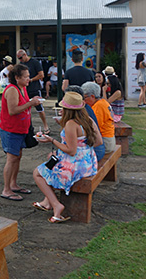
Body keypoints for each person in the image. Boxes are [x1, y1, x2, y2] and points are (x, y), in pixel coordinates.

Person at [32, 92, 102, 223]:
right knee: (50, 162)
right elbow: (98, 142)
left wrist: (51, 140)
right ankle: (47, 201)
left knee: (37, 173)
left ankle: (56, 205)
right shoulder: (88, 120)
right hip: (88, 163)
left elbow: (71, 150)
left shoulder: (71, 124)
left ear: (67, 109)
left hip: (75, 167)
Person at [0, 63, 41, 201]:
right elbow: (13, 110)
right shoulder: (12, 90)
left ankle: (13, 184)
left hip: (21, 129)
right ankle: (6, 189)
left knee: (17, 157)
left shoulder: (22, 88)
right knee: (11, 159)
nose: (29, 79)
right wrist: (31, 103)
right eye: (26, 77)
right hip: (11, 129)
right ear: (17, 77)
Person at [65, 85, 105, 162]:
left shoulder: (76, 119)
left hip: (92, 153)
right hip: (97, 150)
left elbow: (71, 149)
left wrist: (52, 140)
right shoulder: (84, 110)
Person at [17, 49, 50, 134]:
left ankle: (45, 126)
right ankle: (28, 126)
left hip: (34, 88)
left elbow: (41, 74)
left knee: (40, 108)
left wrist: (31, 80)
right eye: (19, 59)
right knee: (26, 109)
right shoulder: (21, 64)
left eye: (20, 58)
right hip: (25, 89)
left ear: (25, 55)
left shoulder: (35, 62)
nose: (20, 60)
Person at [81, 81, 116, 153]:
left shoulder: (98, 106)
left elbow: (95, 127)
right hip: (109, 139)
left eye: (85, 98)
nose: (83, 101)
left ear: (92, 96)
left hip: (105, 142)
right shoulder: (103, 102)